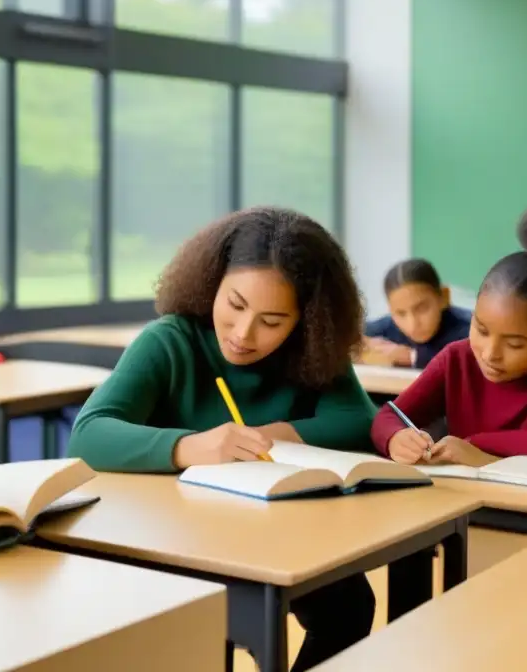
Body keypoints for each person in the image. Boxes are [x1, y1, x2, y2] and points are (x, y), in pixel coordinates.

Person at [67, 206, 377, 672]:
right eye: (235, 305)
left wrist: (273, 435)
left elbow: (358, 419)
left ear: (307, 319)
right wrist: (189, 447)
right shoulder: (170, 341)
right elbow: (88, 435)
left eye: (272, 321)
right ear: (212, 282)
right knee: (203, 635)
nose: (243, 334)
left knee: (350, 606)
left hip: (283, 537)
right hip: (176, 541)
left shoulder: (310, 351)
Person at [371, 205, 527, 468]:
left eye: (514, 343)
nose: (489, 353)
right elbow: (389, 416)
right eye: (481, 329)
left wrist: (476, 446)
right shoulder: (457, 358)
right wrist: (395, 438)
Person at [363, 258, 471, 368]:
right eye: (401, 313)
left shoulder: (474, 329)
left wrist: (412, 357)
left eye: (422, 309)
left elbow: (467, 362)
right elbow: (353, 334)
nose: (412, 324)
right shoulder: (387, 327)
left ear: (444, 297)